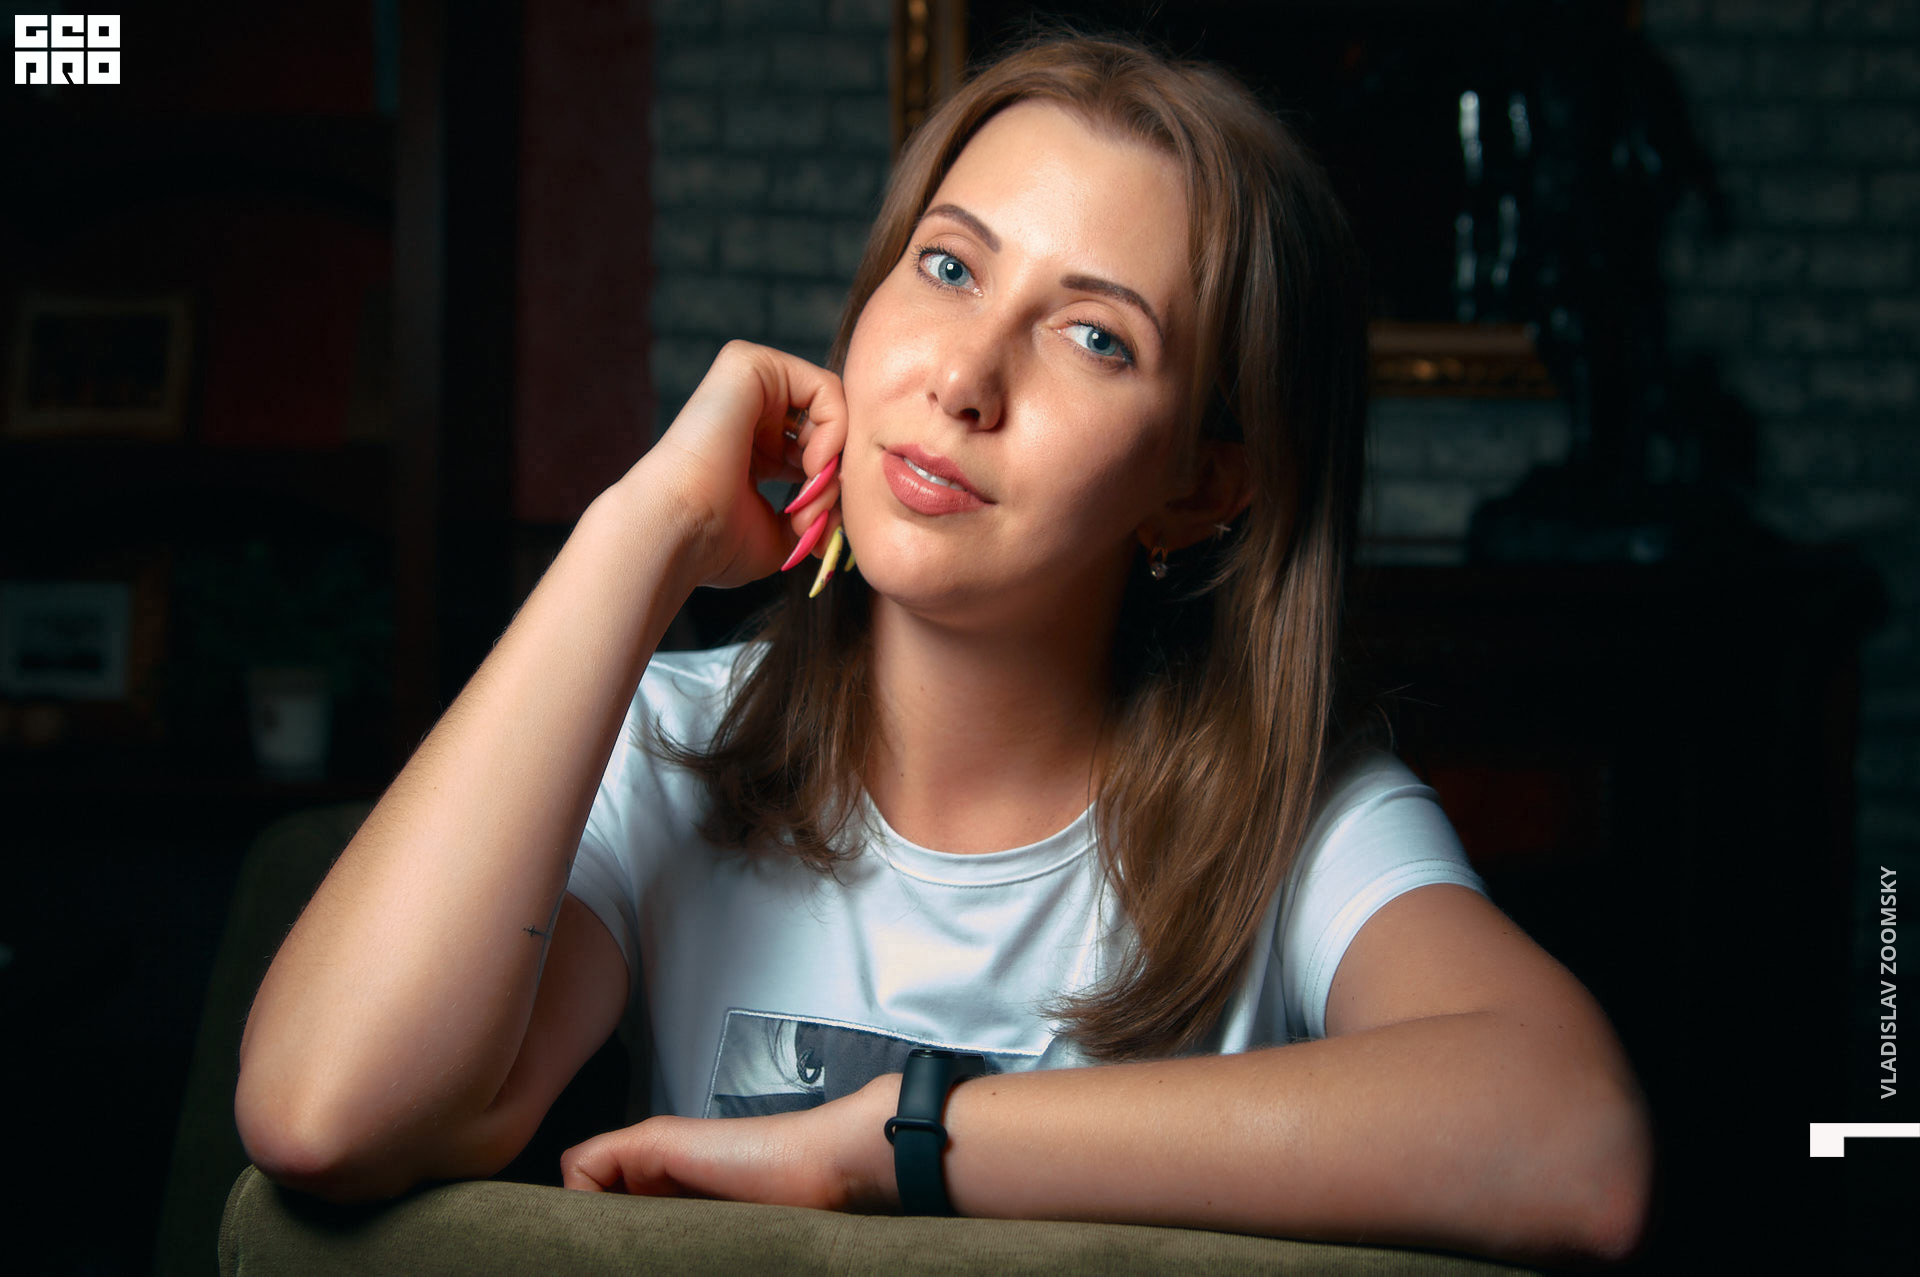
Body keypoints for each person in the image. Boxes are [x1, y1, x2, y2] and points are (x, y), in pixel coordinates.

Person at [236, 30, 1653, 1267]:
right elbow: (321, 1112)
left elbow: (1572, 1143)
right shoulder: (673, 747)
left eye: (1095, 337)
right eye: (951, 265)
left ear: (1202, 484)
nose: (966, 377)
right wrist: (641, 529)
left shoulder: (1302, 822)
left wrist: (894, 1143)